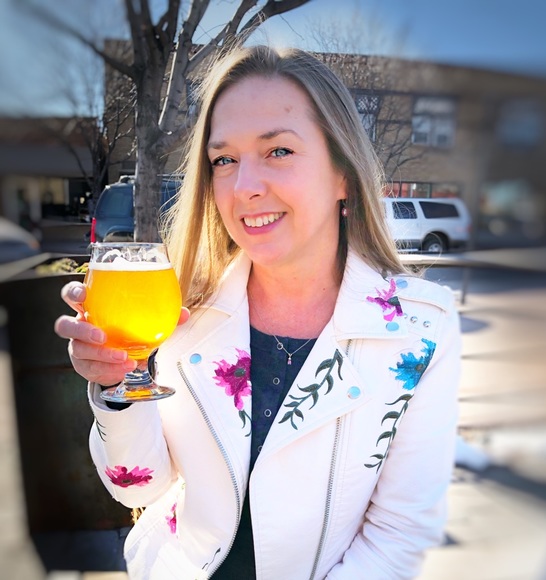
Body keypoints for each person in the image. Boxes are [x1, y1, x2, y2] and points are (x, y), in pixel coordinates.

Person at [55, 45, 461, 579]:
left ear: (343, 174)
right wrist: (116, 387)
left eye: (279, 151)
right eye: (224, 160)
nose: (244, 187)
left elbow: (398, 536)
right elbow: (140, 487)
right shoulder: (180, 307)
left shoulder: (422, 331)